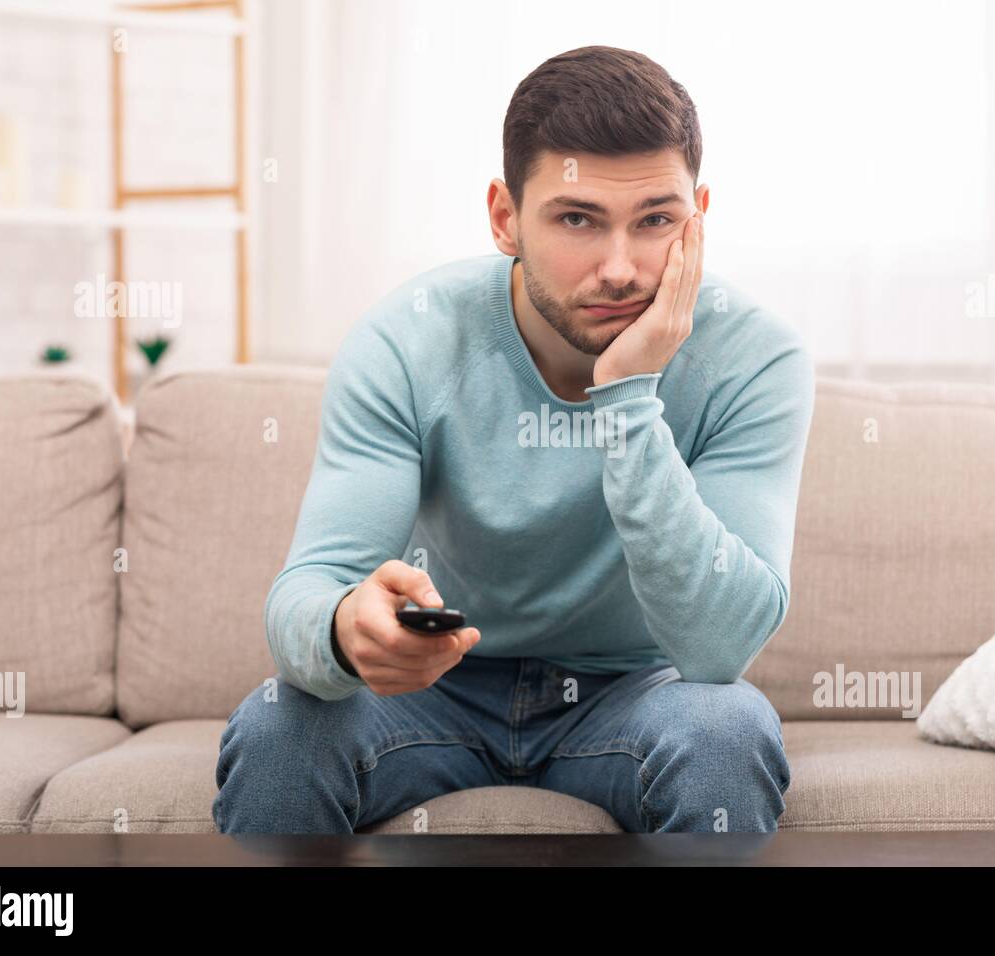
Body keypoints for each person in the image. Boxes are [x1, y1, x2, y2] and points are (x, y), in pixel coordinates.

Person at [214, 45, 815, 834]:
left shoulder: (755, 359)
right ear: (505, 217)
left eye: (657, 222)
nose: (621, 269)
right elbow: (308, 589)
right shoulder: (408, 342)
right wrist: (343, 631)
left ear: (697, 218)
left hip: (634, 695)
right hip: (436, 692)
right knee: (279, 727)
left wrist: (628, 397)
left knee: (725, 730)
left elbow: (720, 650)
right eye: (577, 219)